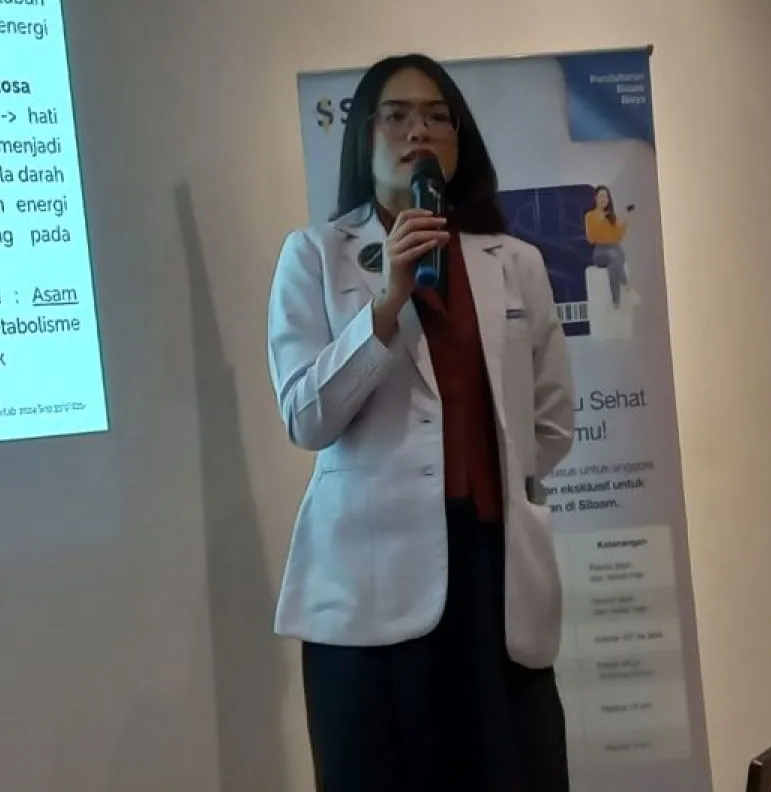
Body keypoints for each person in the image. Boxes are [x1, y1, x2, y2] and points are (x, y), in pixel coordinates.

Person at [266, 53, 576, 792]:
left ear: (459, 142)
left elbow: (552, 419)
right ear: (364, 137)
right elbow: (307, 417)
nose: (419, 132)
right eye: (398, 116)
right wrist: (387, 304)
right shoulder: (314, 257)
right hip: (369, 595)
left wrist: (496, 488)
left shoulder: (514, 262)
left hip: (494, 579)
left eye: (438, 117)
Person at [583, 184, 634, 308]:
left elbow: (618, 237)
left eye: (606, 196)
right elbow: (591, 239)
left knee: (613, 265)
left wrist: (625, 222)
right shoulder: (590, 216)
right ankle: (626, 284)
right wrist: (599, 221)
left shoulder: (611, 216)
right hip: (599, 251)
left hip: (614, 249)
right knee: (615, 254)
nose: (604, 199)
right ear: (595, 198)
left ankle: (616, 301)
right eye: (601, 196)